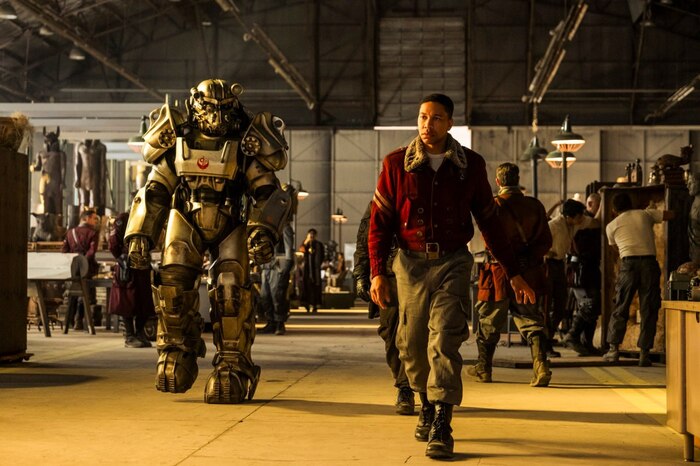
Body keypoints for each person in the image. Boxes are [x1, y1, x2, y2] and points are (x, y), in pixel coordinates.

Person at [368, 93, 535, 459]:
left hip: (453, 262)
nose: (428, 125)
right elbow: (379, 223)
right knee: (412, 345)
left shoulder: (469, 166)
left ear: (450, 123)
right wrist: (377, 272)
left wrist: (514, 272)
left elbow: (490, 222)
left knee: (444, 339)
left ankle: (443, 421)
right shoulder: (396, 163)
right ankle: (426, 403)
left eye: (436, 118)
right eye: (423, 117)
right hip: (409, 265)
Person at [125, 79, 291, 404]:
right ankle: (177, 349)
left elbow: (268, 191)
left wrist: (263, 230)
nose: (216, 116)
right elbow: (156, 189)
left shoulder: (246, 143)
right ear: (195, 105)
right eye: (209, 108)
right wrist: (140, 233)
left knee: (230, 292)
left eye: (223, 109)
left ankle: (233, 362)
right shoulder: (178, 138)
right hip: (185, 219)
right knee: (172, 288)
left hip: (230, 222)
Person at [467, 162, 553, 387]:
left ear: (498, 182)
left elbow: (489, 241)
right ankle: (541, 366)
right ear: (518, 180)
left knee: (488, 321)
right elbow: (546, 241)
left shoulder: (493, 205)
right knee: (531, 321)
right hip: (528, 273)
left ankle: (484, 368)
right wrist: (527, 260)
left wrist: (509, 262)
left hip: (497, 272)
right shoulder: (534, 206)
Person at [354, 201, 414, 416]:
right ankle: (403, 383)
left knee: (415, 333)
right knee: (390, 332)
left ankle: (409, 386)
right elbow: (365, 237)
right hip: (388, 276)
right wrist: (361, 274)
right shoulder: (379, 203)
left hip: (417, 273)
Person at [603, 192, 673, 367]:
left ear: (614, 210)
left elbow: (615, 249)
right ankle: (644, 354)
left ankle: (613, 350)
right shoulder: (645, 214)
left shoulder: (611, 226)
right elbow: (670, 215)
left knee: (621, 305)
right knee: (649, 307)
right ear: (632, 203)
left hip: (628, 264)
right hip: (649, 264)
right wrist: (651, 211)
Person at [545, 199, 589, 357]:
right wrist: (546, 252)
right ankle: (544, 345)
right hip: (548, 265)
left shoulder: (572, 225)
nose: (582, 219)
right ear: (570, 216)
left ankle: (547, 340)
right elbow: (537, 242)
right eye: (579, 216)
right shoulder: (554, 225)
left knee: (560, 306)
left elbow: (593, 221)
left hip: (559, 265)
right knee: (546, 306)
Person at [108, 211, 156, 348]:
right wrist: (121, 258)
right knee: (127, 302)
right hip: (127, 265)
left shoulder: (148, 218)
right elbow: (113, 242)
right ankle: (129, 336)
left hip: (143, 265)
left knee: (144, 301)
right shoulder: (124, 218)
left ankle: (140, 333)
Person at [562, 193, 602, 356]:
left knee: (593, 306)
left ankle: (587, 343)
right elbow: (594, 222)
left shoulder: (585, 220)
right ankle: (572, 335)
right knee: (589, 304)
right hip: (581, 269)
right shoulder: (583, 221)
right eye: (599, 204)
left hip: (588, 268)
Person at [62, 208, 100, 330]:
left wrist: (73, 262)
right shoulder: (93, 233)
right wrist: (83, 262)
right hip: (87, 268)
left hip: (72, 268)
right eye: (94, 218)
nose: (96, 221)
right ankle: (79, 320)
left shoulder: (70, 232)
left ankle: (69, 321)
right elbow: (92, 251)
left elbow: (64, 251)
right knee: (85, 294)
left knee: (72, 293)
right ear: (86, 218)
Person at [258, 223, 295, 335]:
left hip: (278, 267)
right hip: (266, 266)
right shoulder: (265, 227)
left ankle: (279, 323)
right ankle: (271, 322)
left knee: (277, 296)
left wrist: (288, 264)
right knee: (265, 296)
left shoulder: (284, 227)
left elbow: (288, 247)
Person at [31, 127, 66, 216]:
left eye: (52, 142)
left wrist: (62, 181)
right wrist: (33, 168)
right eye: (48, 142)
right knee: (46, 204)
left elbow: (63, 168)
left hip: (56, 181)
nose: (50, 144)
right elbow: (39, 167)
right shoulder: (41, 154)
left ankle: (57, 221)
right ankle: (47, 220)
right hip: (45, 181)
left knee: (57, 205)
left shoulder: (60, 154)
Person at [74, 139, 108, 215]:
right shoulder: (79, 146)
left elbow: (102, 165)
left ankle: (95, 218)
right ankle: (84, 218)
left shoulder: (100, 147)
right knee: (83, 201)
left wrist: (102, 180)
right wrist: (77, 178)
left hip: (95, 178)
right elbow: (77, 164)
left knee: (95, 201)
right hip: (83, 177)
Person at [299, 228, 324, 313]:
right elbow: (301, 251)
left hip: (315, 269)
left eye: (313, 234)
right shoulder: (305, 244)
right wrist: (306, 242)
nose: (312, 236)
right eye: (310, 234)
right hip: (307, 269)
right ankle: (306, 304)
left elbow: (322, 256)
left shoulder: (319, 244)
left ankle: (315, 304)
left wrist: (318, 264)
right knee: (306, 286)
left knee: (315, 286)